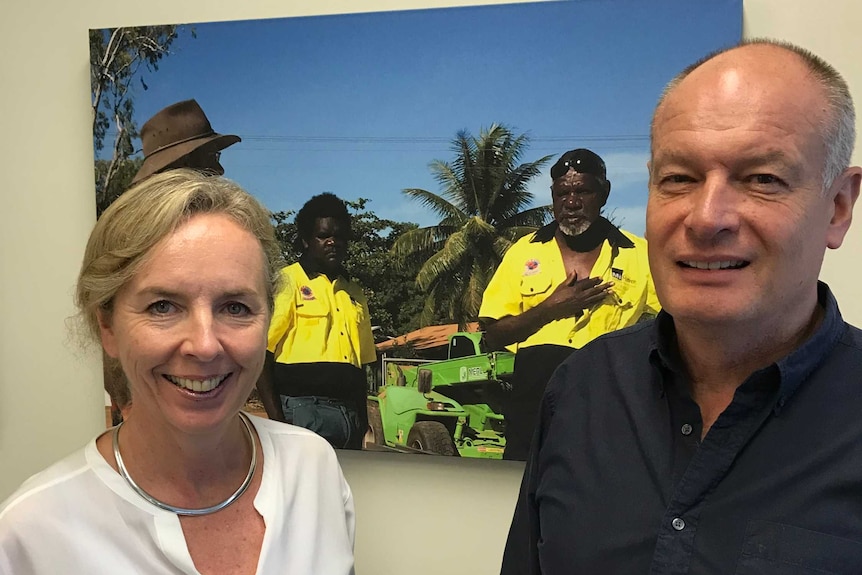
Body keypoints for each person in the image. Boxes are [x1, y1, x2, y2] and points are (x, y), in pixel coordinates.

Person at [501, 39, 862, 574]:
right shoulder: (581, 390)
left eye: (762, 178)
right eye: (679, 179)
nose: (705, 218)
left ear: (838, 207)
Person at [0, 170, 355, 574]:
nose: (204, 345)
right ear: (108, 327)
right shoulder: (31, 534)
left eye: (235, 307)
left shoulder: (314, 470)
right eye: (163, 306)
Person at [479, 148, 659, 460]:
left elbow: (675, 329)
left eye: (583, 191)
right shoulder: (524, 252)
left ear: (604, 193)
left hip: (609, 413)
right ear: (552, 196)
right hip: (533, 416)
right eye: (562, 193)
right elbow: (492, 335)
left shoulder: (641, 256)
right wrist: (552, 308)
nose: (572, 203)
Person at [105, 99, 242, 425]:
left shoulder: (221, 235)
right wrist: (127, 406)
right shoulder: (132, 240)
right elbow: (108, 329)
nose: (220, 171)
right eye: (211, 158)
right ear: (180, 167)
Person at [256, 193, 376, 450]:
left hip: (349, 415)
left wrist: (363, 423)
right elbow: (260, 355)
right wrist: (277, 421)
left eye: (339, 236)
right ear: (306, 241)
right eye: (323, 236)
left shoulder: (354, 292)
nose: (333, 242)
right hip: (303, 412)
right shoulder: (288, 282)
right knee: (305, 489)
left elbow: (361, 366)